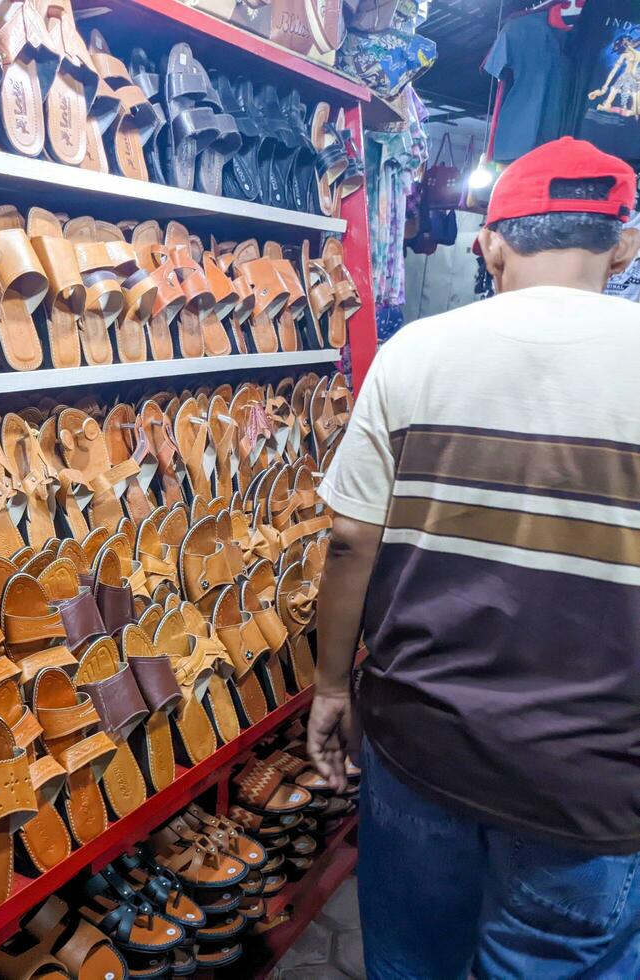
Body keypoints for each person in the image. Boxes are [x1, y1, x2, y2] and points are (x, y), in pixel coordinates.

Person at [306, 136, 640, 978]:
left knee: (413, 959)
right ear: (624, 241)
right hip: (591, 774)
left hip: (424, 740)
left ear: (489, 242)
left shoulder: (416, 352)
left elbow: (349, 541)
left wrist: (332, 687)